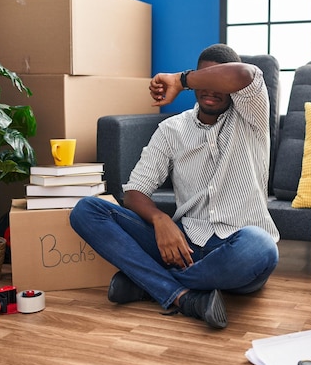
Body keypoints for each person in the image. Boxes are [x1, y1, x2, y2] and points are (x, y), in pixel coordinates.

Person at [69, 44, 280, 329]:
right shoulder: (172, 129)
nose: (209, 88)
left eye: (216, 81)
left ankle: (149, 285)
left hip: (237, 250)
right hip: (183, 247)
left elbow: (246, 74)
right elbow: (134, 192)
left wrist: (180, 81)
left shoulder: (251, 118)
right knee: (86, 209)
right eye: (203, 80)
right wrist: (160, 220)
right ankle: (184, 297)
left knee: (261, 246)